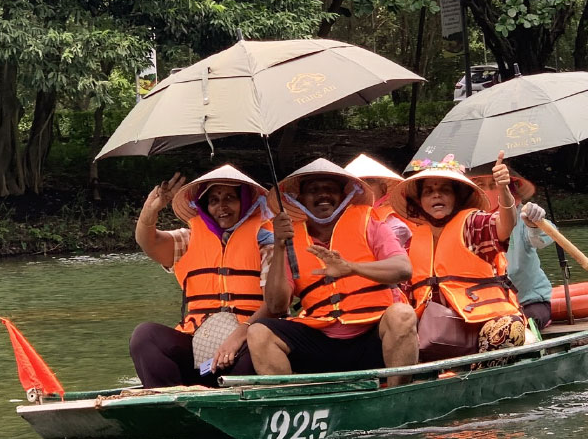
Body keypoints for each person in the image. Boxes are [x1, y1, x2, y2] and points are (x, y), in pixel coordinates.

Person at [246, 158, 419, 384]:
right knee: (259, 332)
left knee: (402, 314)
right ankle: (295, 404)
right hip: (322, 339)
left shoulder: (370, 223)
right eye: (313, 190)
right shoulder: (289, 239)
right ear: (299, 199)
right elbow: (277, 305)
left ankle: (397, 398)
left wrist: (351, 268)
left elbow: (403, 269)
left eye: (330, 189)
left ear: (343, 195)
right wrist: (279, 244)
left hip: (372, 335)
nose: (323, 195)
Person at [129, 164, 277, 387]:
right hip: (197, 341)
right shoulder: (189, 238)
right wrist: (150, 212)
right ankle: (170, 403)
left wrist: (239, 336)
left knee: (256, 350)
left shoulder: (266, 242)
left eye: (230, 198)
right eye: (214, 200)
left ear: (245, 201)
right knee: (144, 336)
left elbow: (275, 304)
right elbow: (149, 242)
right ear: (205, 206)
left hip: (246, 340)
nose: (221, 206)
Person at [388, 152, 526, 362]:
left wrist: (503, 190)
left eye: (445, 190)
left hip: (481, 323)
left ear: (457, 197)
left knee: (508, 328)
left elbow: (504, 227)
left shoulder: (473, 224)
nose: (436, 195)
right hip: (431, 332)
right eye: (429, 191)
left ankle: (476, 378)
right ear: (420, 201)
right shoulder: (412, 241)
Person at [471, 170, 555, 329]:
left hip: (527, 301)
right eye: (481, 185)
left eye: (494, 185)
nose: (488, 191)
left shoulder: (521, 214)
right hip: (484, 305)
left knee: (521, 325)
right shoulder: (467, 221)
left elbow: (543, 238)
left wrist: (535, 222)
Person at [344, 153, 412, 248]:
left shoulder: (396, 227)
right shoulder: (337, 220)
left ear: (383, 189)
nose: (362, 187)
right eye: (356, 184)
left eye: (369, 181)